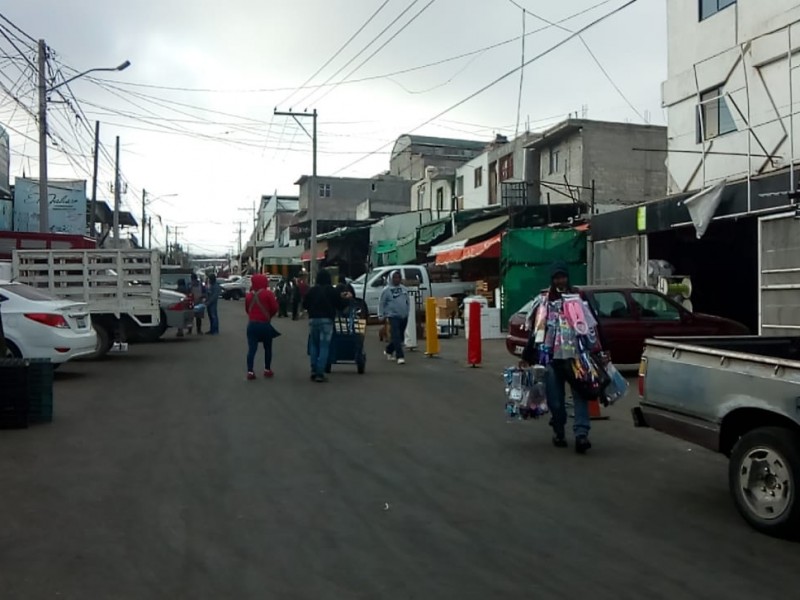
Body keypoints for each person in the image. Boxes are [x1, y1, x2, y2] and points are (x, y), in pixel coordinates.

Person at [521, 261, 602, 454]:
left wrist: (599, 350)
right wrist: (527, 355)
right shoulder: (545, 303)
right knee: (555, 401)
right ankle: (559, 430)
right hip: (552, 359)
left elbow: (592, 326)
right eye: (557, 277)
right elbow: (537, 331)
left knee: (581, 396)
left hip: (576, 358)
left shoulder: (578, 298)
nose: (560, 280)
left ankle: (581, 434)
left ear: (567, 277)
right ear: (552, 280)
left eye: (563, 276)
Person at [303, 269, 351, 382]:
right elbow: (340, 305)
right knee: (324, 346)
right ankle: (320, 372)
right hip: (327, 321)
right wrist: (347, 300)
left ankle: (314, 369)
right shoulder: (331, 290)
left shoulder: (312, 290)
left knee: (314, 345)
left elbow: (305, 304)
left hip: (313, 320)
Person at [244, 274, 280, 380]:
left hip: (252, 324)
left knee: (252, 349)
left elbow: (247, 310)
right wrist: (269, 316)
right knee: (268, 347)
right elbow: (274, 307)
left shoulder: (249, 295)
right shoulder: (268, 294)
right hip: (264, 324)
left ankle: (250, 371)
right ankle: (267, 369)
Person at [378, 270, 410, 365]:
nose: (397, 279)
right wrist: (381, 314)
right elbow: (381, 303)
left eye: (398, 277)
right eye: (395, 277)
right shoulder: (386, 290)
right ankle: (400, 356)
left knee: (400, 337)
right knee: (395, 334)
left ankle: (389, 350)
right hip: (392, 315)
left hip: (403, 315)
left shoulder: (404, 289)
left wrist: (408, 311)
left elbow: (407, 301)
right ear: (391, 278)